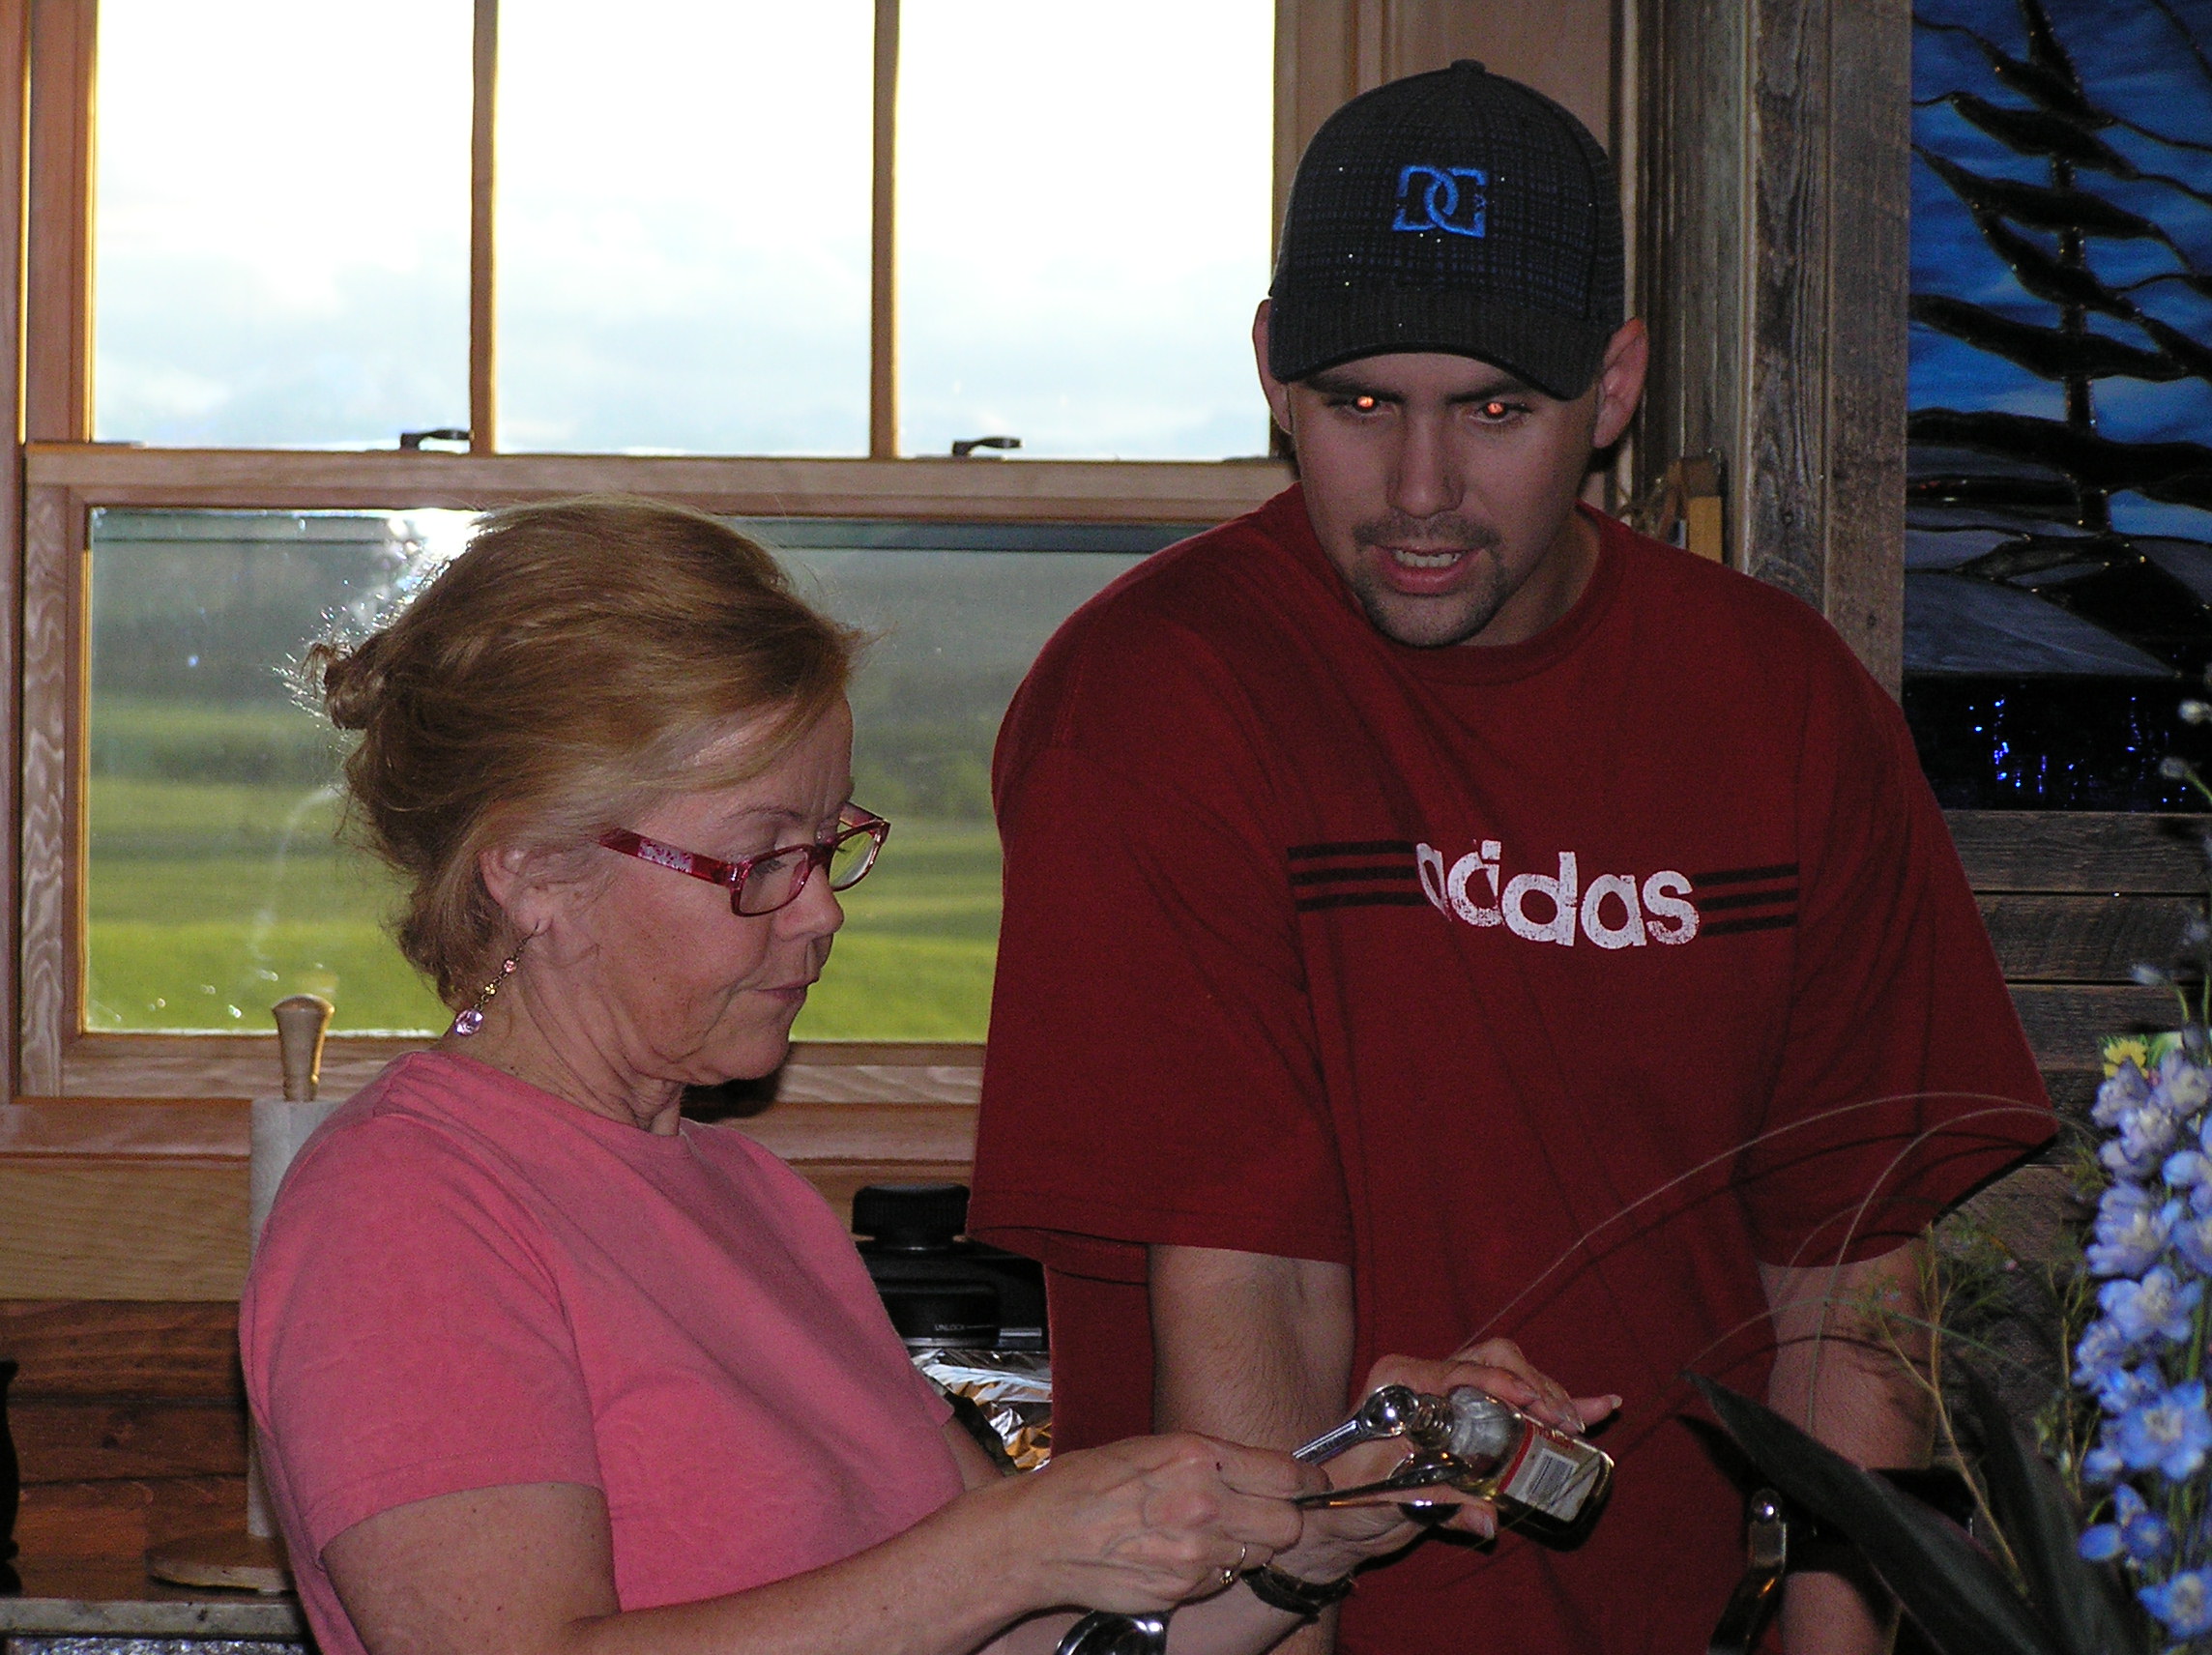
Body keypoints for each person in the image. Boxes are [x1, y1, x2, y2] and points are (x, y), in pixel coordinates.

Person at [967, 60, 2054, 1655]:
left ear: (1613, 388)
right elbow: (1248, 1290)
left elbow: (1850, 1269)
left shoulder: (1782, 705)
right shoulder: (1158, 696)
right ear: (1271, 371)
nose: (1421, 493)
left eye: (1494, 411)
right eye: (1360, 406)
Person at [240, 496, 1604, 1655]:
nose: (820, 911)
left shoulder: (752, 1199)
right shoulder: (407, 1209)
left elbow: (1027, 1639)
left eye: (830, 848)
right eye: (760, 860)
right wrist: (1009, 1546)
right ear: (537, 869)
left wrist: (1322, 1525)